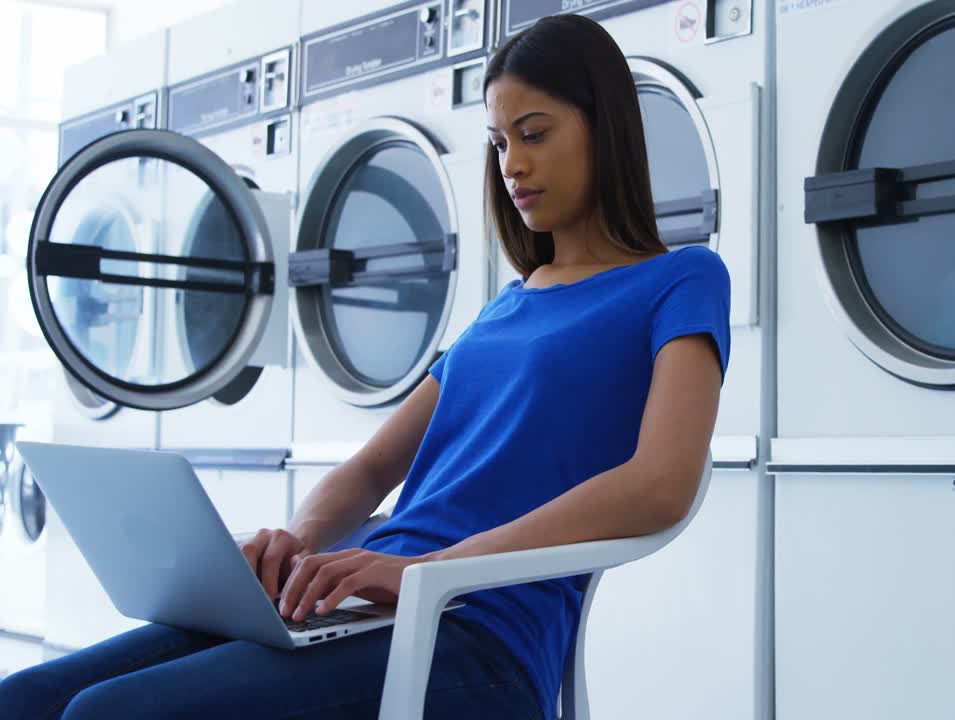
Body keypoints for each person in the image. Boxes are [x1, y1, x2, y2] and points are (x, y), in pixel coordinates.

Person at [0, 12, 730, 720]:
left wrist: (431, 572)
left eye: (533, 135)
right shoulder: (506, 307)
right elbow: (371, 470)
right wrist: (301, 537)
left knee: (110, 712)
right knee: (27, 699)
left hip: (476, 636)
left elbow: (660, 484)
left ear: (605, 129)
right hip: (360, 603)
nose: (513, 165)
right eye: (499, 142)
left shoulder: (680, 280)